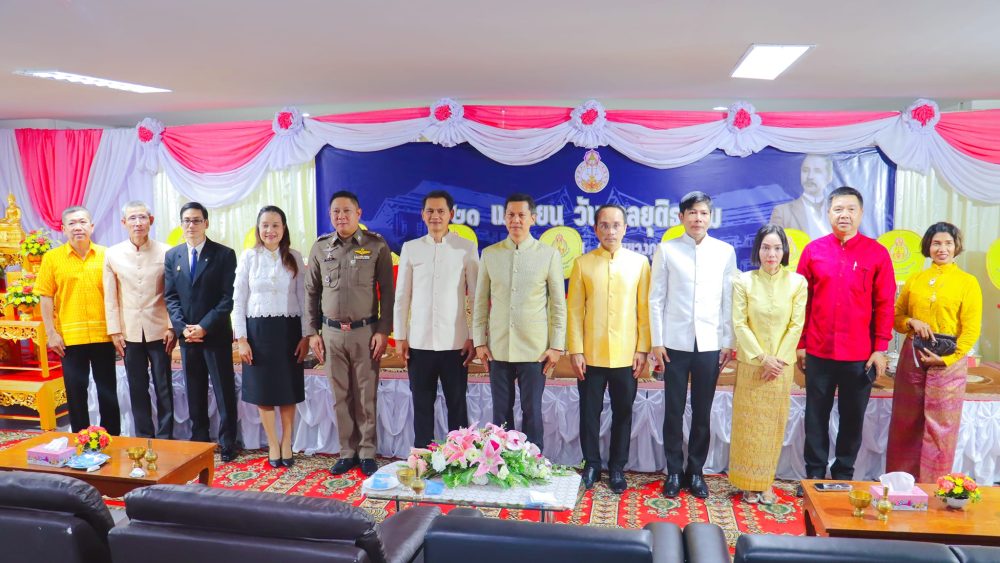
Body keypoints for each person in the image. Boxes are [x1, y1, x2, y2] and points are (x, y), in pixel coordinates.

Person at [795, 186, 895, 496]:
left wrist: (880, 348)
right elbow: (801, 303)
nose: (844, 215)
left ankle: (843, 476)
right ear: (828, 213)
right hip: (819, 351)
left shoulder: (876, 253)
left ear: (861, 214)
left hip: (860, 355)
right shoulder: (813, 251)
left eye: (851, 209)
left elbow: (885, 304)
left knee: (852, 419)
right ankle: (813, 476)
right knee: (815, 416)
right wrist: (801, 343)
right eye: (838, 209)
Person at [649, 191, 737, 499]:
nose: (698, 218)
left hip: (710, 343)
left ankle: (696, 471)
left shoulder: (724, 252)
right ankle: (674, 471)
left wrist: (727, 341)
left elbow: (729, 300)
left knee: (702, 412)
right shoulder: (667, 250)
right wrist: (657, 341)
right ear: (681, 217)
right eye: (692, 213)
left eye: (703, 213)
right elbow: (656, 298)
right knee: (673, 410)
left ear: (710, 217)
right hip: (674, 343)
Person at [305, 191, 394, 477]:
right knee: (339, 395)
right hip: (331, 334)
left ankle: (367, 452)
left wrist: (383, 330)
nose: (341, 216)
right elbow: (311, 293)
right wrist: (312, 333)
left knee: (366, 395)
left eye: (346, 211)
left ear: (359, 213)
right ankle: (347, 452)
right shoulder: (320, 247)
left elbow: (388, 293)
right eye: (336, 211)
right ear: (330, 215)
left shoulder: (376, 245)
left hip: (365, 332)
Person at [886, 222, 982, 483]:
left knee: (941, 428)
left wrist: (948, 358)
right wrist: (911, 322)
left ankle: (933, 487)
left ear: (956, 247)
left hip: (948, 361)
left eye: (948, 243)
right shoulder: (915, 279)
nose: (942, 248)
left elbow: (971, 329)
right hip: (913, 355)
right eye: (936, 243)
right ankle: (900, 485)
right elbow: (896, 317)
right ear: (928, 246)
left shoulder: (967, 282)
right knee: (906, 422)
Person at [567, 204, 650, 494]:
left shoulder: (640, 263)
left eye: (616, 225)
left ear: (625, 228)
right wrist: (576, 350)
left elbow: (643, 310)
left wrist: (642, 349)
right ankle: (592, 464)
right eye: (604, 225)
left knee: (623, 413)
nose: (610, 231)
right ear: (595, 229)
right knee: (589, 413)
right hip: (590, 355)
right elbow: (574, 311)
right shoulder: (582, 264)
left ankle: (617, 468)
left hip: (627, 356)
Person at [473, 193, 566, 451]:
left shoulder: (548, 255)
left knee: (531, 410)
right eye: (511, 215)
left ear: (532, 219)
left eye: (521, 215)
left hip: (535, 350)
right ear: (504, 218)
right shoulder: (490, 254)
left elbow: (558, 305)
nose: (516, 220)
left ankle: (533, 462)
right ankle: (501, 461)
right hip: (498, 348)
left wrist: (557, 346)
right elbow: (480, 303)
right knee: (500, 412)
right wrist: (480, 341)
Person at [729, 224, 807, 505]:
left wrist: (778, 360)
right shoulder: (743, 281)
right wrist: (763, 358)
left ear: (784, 250)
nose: (771, 254)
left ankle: (766, 483)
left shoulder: (797, 283)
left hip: (781, 368)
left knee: (772, 427)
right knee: (748, 426)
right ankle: (747, 484)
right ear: (757, 250)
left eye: (776, 248)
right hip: (752, 364)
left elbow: (796, 325)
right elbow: (739, 323)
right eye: (765, 247)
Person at [394, 190, 478, 448]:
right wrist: (400, 337)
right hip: (419, 343)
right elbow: (402, 296)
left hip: (456, 343)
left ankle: (460, 457)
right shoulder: (411, 248)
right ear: (422, 215)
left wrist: (474, 337)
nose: (435, 216)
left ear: (451, 214)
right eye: (430, 211)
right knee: (421, 405)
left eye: (441, 211)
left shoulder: (466, 248)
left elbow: (476, 297)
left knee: (457, 405)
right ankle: (422, 458)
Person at [234, 206, 310, 468]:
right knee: (263, 391)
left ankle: (287, 441)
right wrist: (241, 339)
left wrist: (306, 335)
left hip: (289, 331)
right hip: (258, 332)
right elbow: (238, 299)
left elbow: (304, 298)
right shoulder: (248, 257)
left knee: (288, 390)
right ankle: (273, 443)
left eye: (275, 225)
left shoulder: (295, 257)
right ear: (258, 228)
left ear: (284, 228)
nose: (270, 230)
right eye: (265, 225)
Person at [164, 202, 240, 462]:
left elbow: (227, 298)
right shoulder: (173, 256)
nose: (191, 225)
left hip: (215, 334)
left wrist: (204, 326)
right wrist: (182, 327)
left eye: (196, 220)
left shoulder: (224, 254)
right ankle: (199, 440)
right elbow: (171, 297)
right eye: (186, 220)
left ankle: (228, 442)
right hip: (187, 337)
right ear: (181, 224)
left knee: (223, 390)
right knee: (194, 390)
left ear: (206, 223)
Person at [37, 206, 119, 434]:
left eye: (82, 222)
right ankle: (81, 440)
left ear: (91, 226)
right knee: (75, 393)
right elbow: (45, 296)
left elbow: (117, 295)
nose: (78, 227)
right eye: (72, 223)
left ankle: (113, 438)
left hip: (104, 335)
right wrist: (51, 333)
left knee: (108, 392)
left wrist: (118, 330)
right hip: (69, 339)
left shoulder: (107, 255)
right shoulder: (52, 258)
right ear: (63, 229)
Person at [103, 201, 176, 439]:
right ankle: (145, 436)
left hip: (160, 329)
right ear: (124, 222)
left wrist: (172, 327)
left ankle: (166, 437)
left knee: (164, 386)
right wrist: (114, 331)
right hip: (129, 331)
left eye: (142, 217)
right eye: (132, 218)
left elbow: (173, 293)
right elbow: (110, 297)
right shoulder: (112, 254)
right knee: (137, 386)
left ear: (151, 221)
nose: (138, 223)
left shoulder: (166, 251)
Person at [770, 154, 834, 239]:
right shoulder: (782, 212)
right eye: (805, 170)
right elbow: (774, 244)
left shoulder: (839, 212)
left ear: (829, 177)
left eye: (817, 171)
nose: (810, 176)